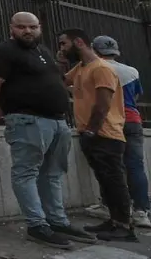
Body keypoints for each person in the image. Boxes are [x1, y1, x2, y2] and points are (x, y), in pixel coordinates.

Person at [0, 12, 95, 246]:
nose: (27, 31)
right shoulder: (3, 53)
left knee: (52, 173)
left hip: (56, 121)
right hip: (27, 120)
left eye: (32, 27)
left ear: (39, 28)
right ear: (11, 28)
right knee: (26, 172)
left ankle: (57, 221)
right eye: (21, 27)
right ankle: (37, 225)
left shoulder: (42, 52)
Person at [58, 29, 137, 241]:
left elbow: (103, 104)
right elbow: (61, 82)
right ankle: (114, 220)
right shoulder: (82, 68)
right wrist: (62, 62)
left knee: (114, 180)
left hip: (105, 134)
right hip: (90, 133)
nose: (62, 48)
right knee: (104, 179)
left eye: (64, 44)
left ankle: (124, 226)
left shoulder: (102, 68)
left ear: (79, 42)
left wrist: (92, 130)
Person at [87, 37, 151, 228]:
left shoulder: (95, 69)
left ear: (94, 50)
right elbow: (137, 95)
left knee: (110, 167)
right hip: (132, 120)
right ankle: (141, 211)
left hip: (109, 122)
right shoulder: (132, 71)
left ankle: (108, 205)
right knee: (135, 166)